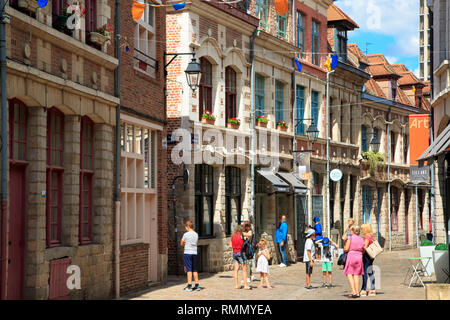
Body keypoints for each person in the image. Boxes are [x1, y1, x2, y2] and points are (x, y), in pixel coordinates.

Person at [343, 225, 365, 298]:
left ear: (352, 231)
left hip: (351, 256)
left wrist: (344, 249)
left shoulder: (350, 238)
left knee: (349, 273)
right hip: (359, 256)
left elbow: (346, 248)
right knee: (356, 275)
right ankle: (357, 292)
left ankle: (354, 291)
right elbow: (363, 249)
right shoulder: (361, 239)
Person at [181, 220, 201, 291]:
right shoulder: (196, 234)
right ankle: (197, 285)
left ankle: (189, 285)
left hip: (188, 253)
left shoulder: (186, 234)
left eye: (186, 227)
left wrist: (185, 243)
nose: (186, 229)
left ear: (188, 226)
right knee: (194, 269)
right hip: (194, 253)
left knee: (188, 269)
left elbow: (181, 243)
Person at [230, 224, 251, 290]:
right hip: (241, 253)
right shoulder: (242, 234)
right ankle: (245, 285)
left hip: (234, 253)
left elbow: (230, 246)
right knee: (244, 270)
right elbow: (250, 235)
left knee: (236, 270)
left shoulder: (232, 236)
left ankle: (236, 285)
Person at [361, 223, 376, 296]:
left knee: (364, 272)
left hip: (366, 256)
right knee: (370, 272)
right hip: (371, 256)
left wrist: (361, 252)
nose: (362, 230)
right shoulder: (371, 236)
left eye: (362, 229)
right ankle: (373, 288)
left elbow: (365, 247)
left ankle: (364, 289)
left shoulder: (366, 236)